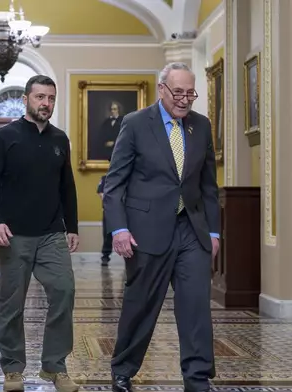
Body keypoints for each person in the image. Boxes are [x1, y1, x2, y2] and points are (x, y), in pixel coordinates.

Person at [103, 62, 221, 392]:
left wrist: (213, 233)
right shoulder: (136, 124)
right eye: (178, 92)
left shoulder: (202, 125)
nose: (184, 100)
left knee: (196, 306)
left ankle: (197, 378)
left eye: (190, 93)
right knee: (141, 305)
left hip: (191, 230)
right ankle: (123, 370)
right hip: (145, 231)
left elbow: (209, 186)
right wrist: (119, 229)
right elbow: (115, 184)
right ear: (162, 89)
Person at [0, 75, 80, 392]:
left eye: (51, 98)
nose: (46, 104)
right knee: (12, 304)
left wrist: (73, 226)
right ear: (26, 99)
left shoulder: (60, 139)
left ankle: (55, 366)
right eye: (40, 97)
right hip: (13, 235)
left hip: (52, 233)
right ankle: (12, 369)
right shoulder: (5, 137)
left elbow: (67, 186)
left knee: (64, 292)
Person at [97, 170, 112, 266]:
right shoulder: (105, 178)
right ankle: (105, 256)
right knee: (107, 235)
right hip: (108, 210)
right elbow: (100, 192)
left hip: (126, 210)